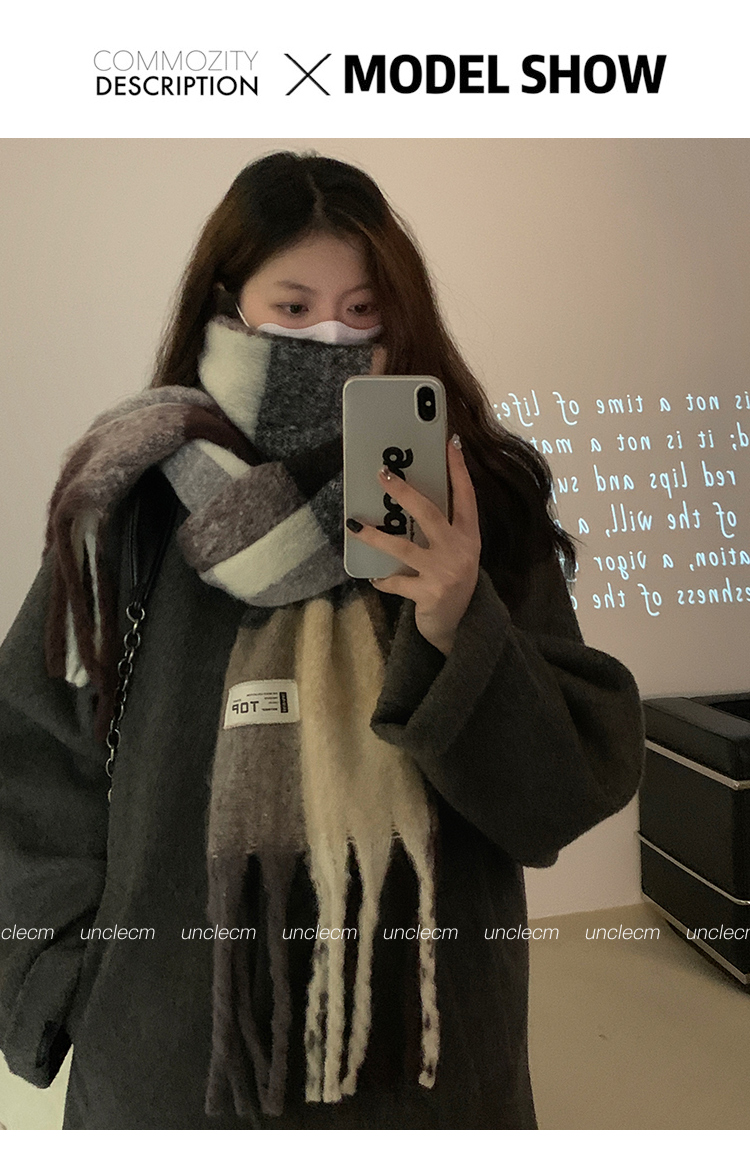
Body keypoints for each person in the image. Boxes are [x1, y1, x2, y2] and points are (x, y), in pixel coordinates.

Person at [0, 151, 645, 1130]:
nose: (331, 337)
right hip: (173, 1064)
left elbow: (558, 795)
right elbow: (33, 754)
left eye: (362, 309)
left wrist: (458, 622)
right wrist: (67, 983)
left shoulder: (476, 496)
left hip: (423, 1065)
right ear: (229, 304)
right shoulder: (130, 502)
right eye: (294, 308)